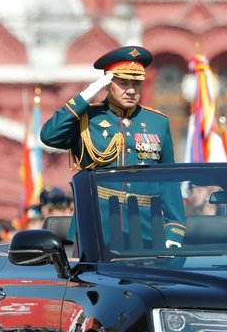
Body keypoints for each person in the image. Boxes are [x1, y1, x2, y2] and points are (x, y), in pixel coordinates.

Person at [40, 46, 185, 247]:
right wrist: (85, 97)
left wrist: (175, 229)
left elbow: (168, 179)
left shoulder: (157, 122)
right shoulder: (87, 117)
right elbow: (49, 136)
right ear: (108, 85)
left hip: (145, 227)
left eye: (136, 83)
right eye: (123, 83)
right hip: (97, 223)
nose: (131, 90)